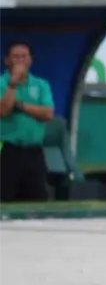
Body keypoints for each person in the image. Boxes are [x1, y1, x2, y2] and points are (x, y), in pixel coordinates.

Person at [0, 42, 55, 203]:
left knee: (37, 199)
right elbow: (3, 110)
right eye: (15, 57)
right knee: (5, 196)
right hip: (7, 150)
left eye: (24, 56)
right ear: (7, 60)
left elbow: (47, 113)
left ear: (30, 60)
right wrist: (12, 84)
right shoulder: (2, 83)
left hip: (34, 151)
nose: (20, 60)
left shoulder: (41, 85)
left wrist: (20, 106)